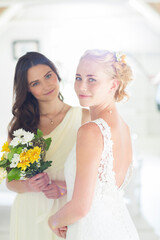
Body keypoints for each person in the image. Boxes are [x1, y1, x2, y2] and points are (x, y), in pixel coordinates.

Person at [48, 49, 140, 240]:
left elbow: (80, 208)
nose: (81, 86)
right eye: (78, 77)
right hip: (121, 229)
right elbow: (101, 186)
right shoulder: (124, 128)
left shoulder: (91, 131)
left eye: (91, 79)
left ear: (113, 85)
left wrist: (53, 221)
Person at [6, 51, 90, 240]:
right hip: (30, 212)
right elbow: (10, 182)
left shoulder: (83, 118)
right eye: (35, 83)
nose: (46, 86)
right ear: (27, 89)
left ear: (56, 73)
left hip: (67, 209)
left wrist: (66, 187)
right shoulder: (20, 126)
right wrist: (30, 185)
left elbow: (97, 174)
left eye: (48, 76)